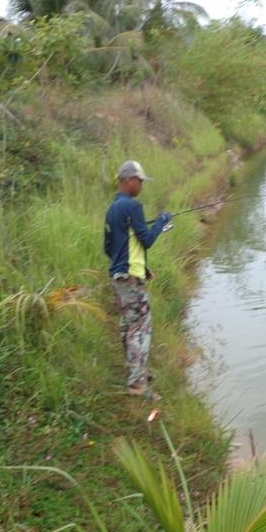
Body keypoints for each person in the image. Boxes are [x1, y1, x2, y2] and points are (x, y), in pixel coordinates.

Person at [104, 160, 172, 398]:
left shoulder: (113, 208)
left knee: (127, 325)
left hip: (119, 275)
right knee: (140, 327)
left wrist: (142, 267)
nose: (141, 186)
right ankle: (137, 384)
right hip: (130, 278)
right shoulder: (133, 206)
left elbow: (110, 246)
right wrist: (162, 222)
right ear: (129, 180)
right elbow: (147, 240)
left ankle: (136, 370)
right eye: (140, 181)